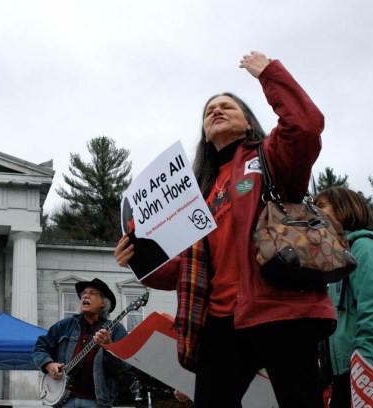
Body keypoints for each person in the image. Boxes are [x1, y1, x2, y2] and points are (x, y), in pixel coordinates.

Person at [115, 51, 336, 407]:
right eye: (208, 111)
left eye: (227, 107)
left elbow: (306, 126)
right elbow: (185, 270)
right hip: (221, 319)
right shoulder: (195, 194)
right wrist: (138, 262)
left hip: (281, 309)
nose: (216, 111)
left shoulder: (271, 157)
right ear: (204, 132)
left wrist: (270, 75)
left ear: (248, 123)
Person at [314, 187, 373, 408]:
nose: (313, 212)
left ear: (344, 209)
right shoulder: (337, 255)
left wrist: (364, 362)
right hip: (349, 368)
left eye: (320, 206)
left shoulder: (364, 248)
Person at [33, 278, 128, 408]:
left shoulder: (116, 330)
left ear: (104, 304)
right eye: (84, 293)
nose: (85, 295)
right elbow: (40, 347)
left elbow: (122, 367)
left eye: (92, 293)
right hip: (64, 401)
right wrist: (49, 365)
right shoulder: (65, 325)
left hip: (98, 402)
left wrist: (108, 346)